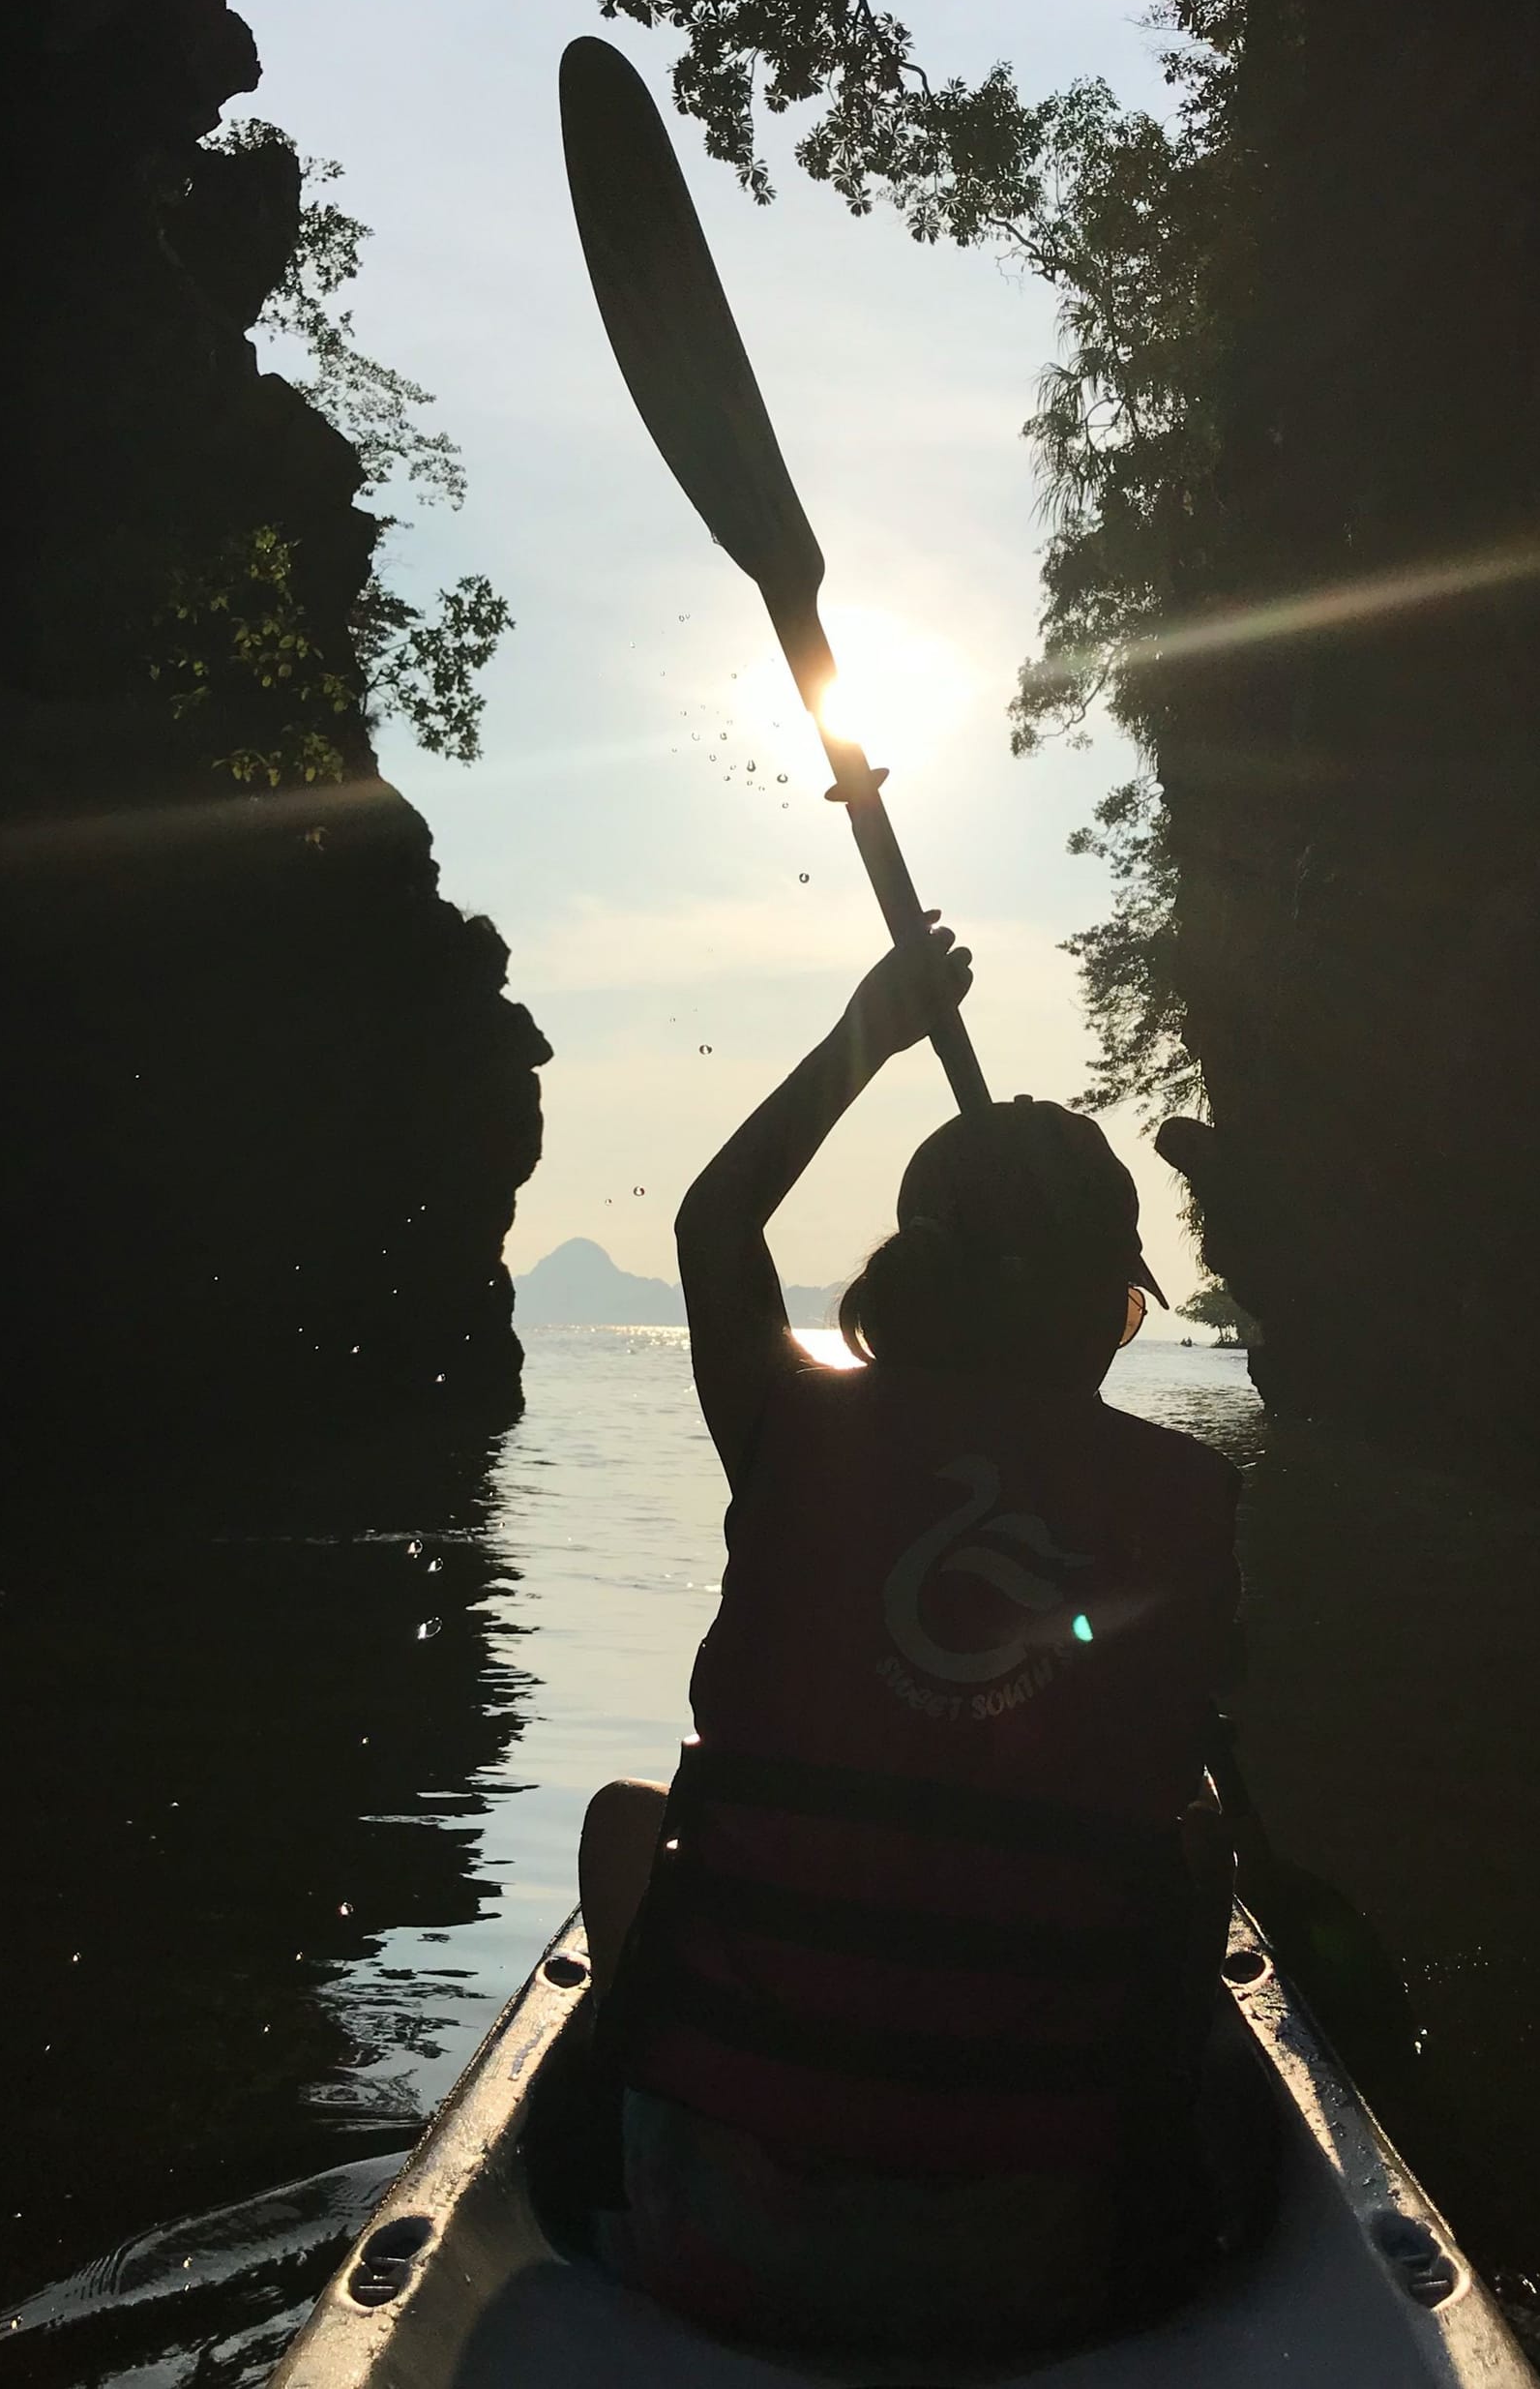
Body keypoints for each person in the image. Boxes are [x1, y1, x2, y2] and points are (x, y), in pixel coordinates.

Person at [578, 920, 1270, 2354]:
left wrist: (866, 1035)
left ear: (919, 1275)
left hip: (716, 2230)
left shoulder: (793, 1431)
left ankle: (608, 2170)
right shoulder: (1193, 1500)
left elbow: (714, 1226)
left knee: (622, 1822)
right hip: (1034, 2255)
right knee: (1197, 1838)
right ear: (1106, 1298)